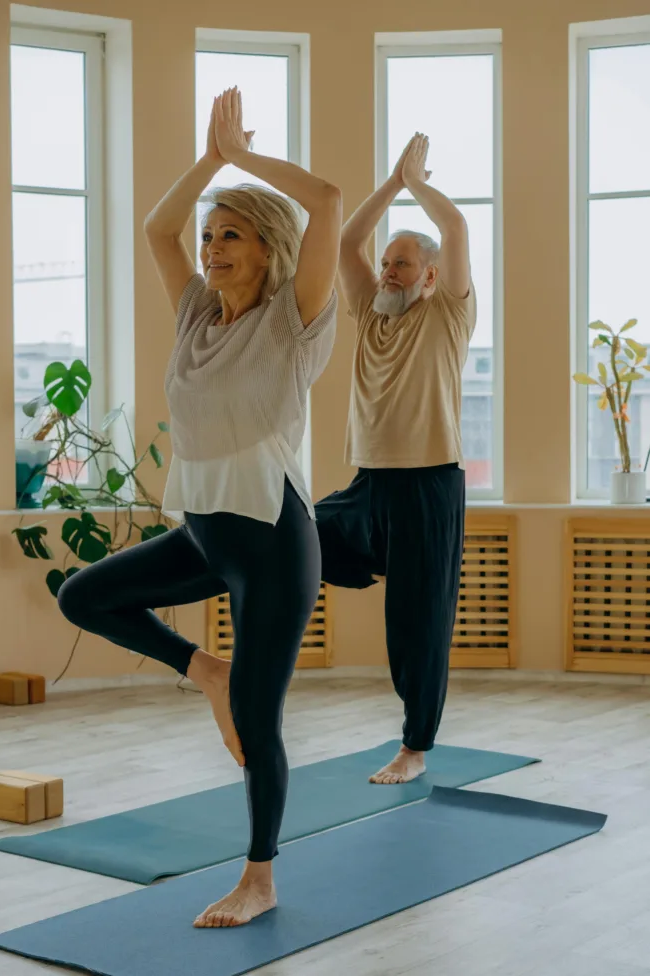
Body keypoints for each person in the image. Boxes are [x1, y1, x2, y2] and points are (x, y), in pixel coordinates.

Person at [57, 88, 341, 927]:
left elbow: (325, 201)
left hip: (275, 545)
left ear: (268, 249)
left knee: (258, 721)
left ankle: (260, 877)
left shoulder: (296, 319)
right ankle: (202, 670)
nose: (211, 249)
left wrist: (241, 158)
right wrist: (208, 165)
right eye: (210, 236)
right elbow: (156, 229)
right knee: (83, 595)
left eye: (231, 235)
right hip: (206, 533)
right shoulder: (192, 314)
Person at [315, 133, 475, 785]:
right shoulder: (368, 311)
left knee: (416, 621)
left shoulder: (448, 315)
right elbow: (347, 242)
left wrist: (418, 185)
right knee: (291, 531)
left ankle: (414, 747)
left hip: (428, 487)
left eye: (402, 264)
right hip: (370, 483)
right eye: (387, 263)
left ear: (431, 276)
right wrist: (390, 183)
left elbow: (455, 224)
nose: (387, 271)